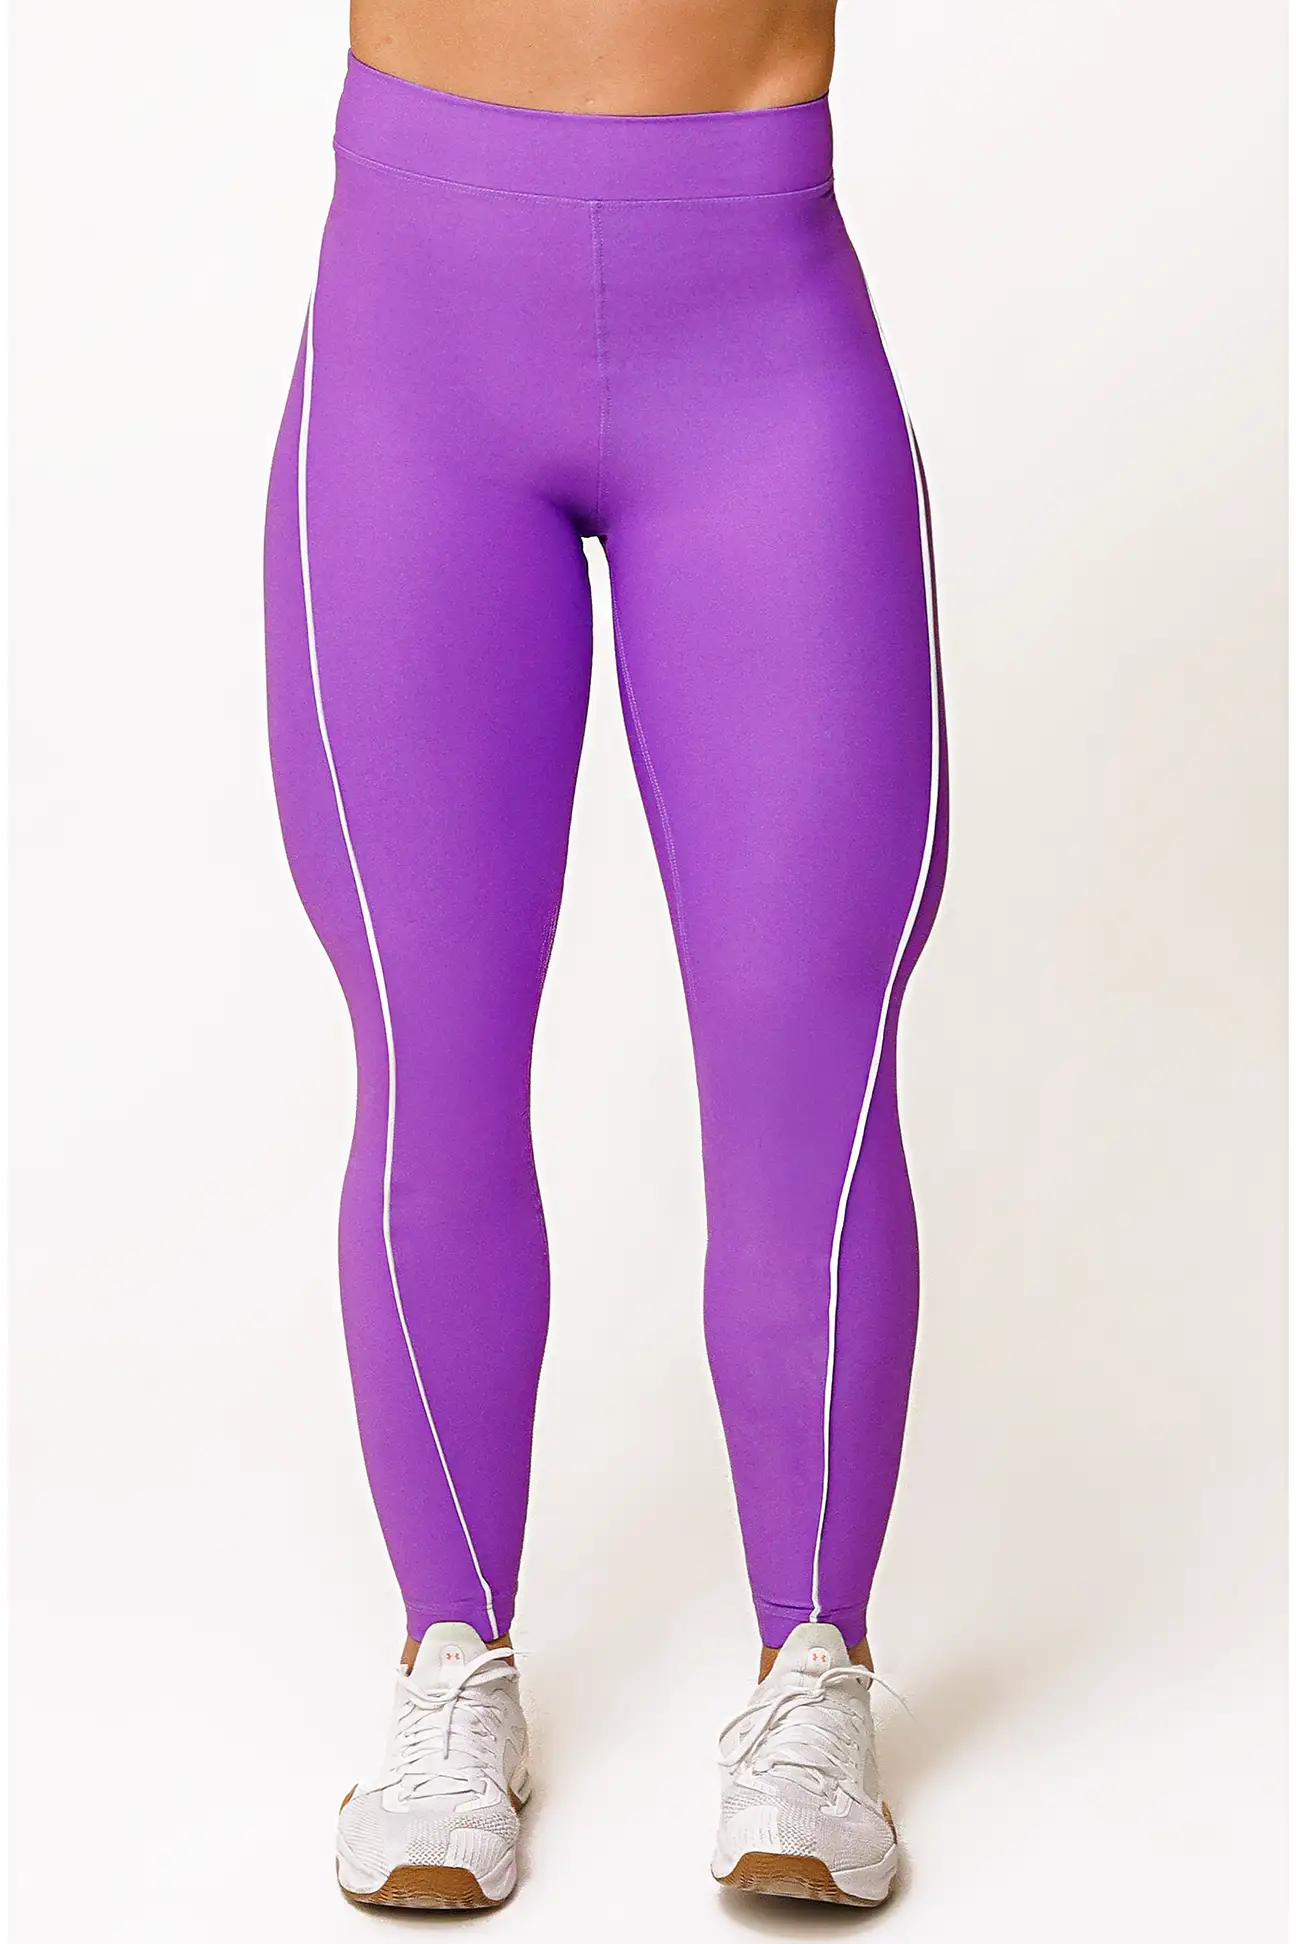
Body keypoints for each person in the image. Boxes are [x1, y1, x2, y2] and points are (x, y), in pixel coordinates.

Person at [264, 0, 947, 1911]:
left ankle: (815, 1675)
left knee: (808, 1047)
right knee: (430, 1040)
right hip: (413, 350)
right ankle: (448, 1667)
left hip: (758, 337)